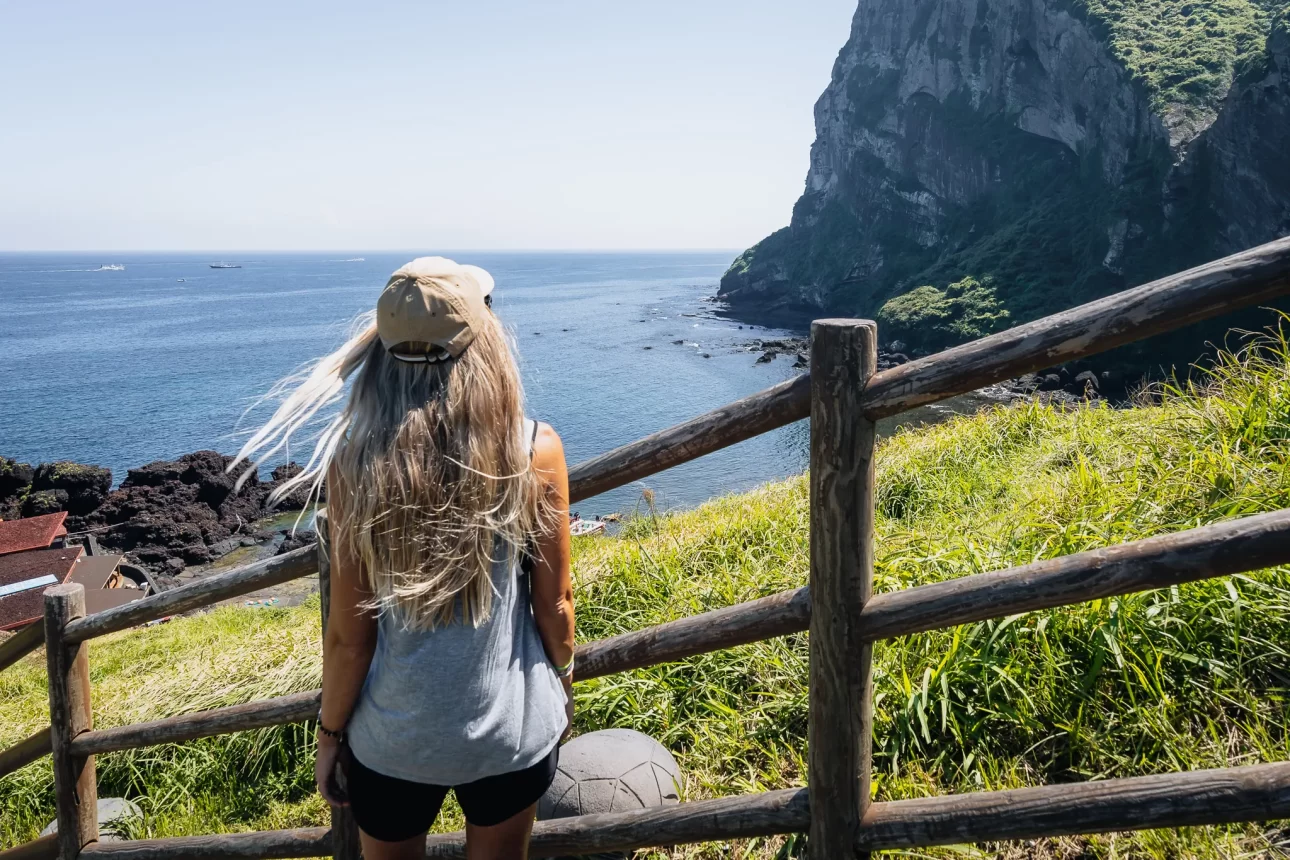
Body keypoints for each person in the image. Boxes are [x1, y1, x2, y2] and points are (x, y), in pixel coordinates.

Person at [231, 257, 575, 860]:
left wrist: (330, 733)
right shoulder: (533, 447)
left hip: (393, 742)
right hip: (510, 733)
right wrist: (562, 681)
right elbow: (555, 605)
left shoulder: (353, 462)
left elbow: (349, 637)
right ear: (483, 337)